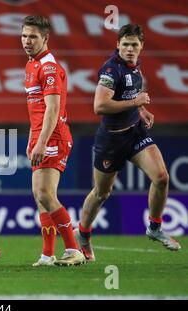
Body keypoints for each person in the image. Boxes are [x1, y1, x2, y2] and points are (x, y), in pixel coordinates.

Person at [74, 24, 181, 261]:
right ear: (117, 45)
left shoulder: (135, 66)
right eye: (125, 44)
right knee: (102, 193)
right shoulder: (111, 70)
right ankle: (83, 233)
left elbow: (129, 94)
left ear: (141, 46)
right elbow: (99, 106)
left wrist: (140, 109)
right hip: (111, 140)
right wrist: (135, 103)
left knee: (162, 178)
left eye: (134, 44)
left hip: (135, 132)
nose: (130, 49)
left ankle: (154, 227)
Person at [22, 16, 85, 267]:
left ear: (45, 39)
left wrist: (41, 142)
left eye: (33, 37)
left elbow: (53, 108)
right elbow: (35, 109)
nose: (27, 41)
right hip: (42, 136)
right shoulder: (31, 65)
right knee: (40, 198)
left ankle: (73, 249)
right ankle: (47, 255)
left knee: (46, 195)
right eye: (24, 35)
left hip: (54, 137)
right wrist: (32, 137)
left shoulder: (48, 67)